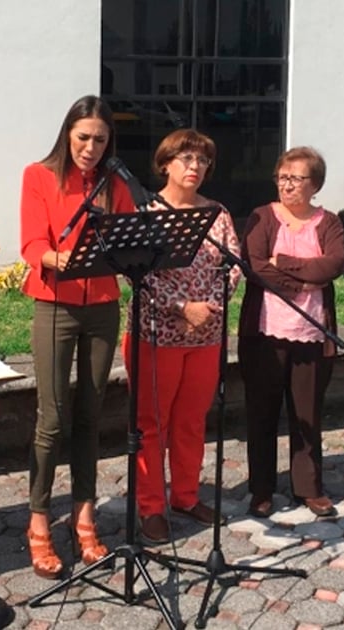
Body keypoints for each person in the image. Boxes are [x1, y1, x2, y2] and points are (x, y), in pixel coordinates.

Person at [19, 95, 136, 580]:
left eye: (100, 140)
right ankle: (38, 517)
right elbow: (31, 243)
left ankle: (84, 512)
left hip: (103, 305)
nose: (91, 147)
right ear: (67, 133)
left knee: (91, 413)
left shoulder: (115, 183)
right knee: (52, 418)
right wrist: (55, 258)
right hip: (55, 303)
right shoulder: (39, 175)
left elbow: (129, 237)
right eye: (83, 137)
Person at [120, 129, 242, 544]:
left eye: (203, 160)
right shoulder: (146, 211)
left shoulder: (218, 214)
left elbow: (234, 265)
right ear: (165, 164)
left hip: (207, 334)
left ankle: (186, 496)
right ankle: (151, 506)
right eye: (186, 159)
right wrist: (182, 308)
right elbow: (137, 273)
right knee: (151, 423)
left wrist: (209, 307)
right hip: (156, 335)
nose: (195, 167)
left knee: (191, 422)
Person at [238, 146, 344, 519]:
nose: (287, 185)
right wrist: (301, 281)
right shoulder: (262, 217)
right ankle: (261, 489)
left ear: (315, 184)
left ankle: (309, 488)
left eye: (296, 179)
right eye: (282, 178)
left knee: (307, 414)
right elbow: (254, 267)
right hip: (265, 333)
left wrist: (282, 262)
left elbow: (333, 265)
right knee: (261, 412)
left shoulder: (328, 223)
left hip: (311, 332)